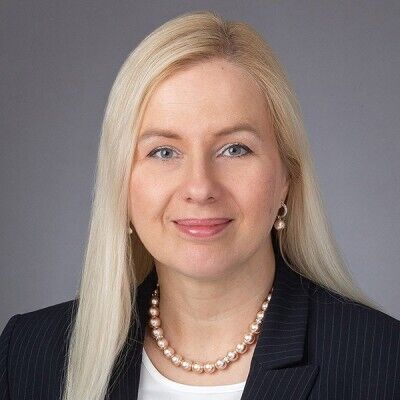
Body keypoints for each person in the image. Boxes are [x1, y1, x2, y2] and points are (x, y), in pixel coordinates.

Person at [0, 10, 399, 400]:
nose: (200, 187)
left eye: (234, 148)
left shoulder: (384, 362)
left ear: (286, 178)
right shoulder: (29, 353)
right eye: (163, 152)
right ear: (120, 183)